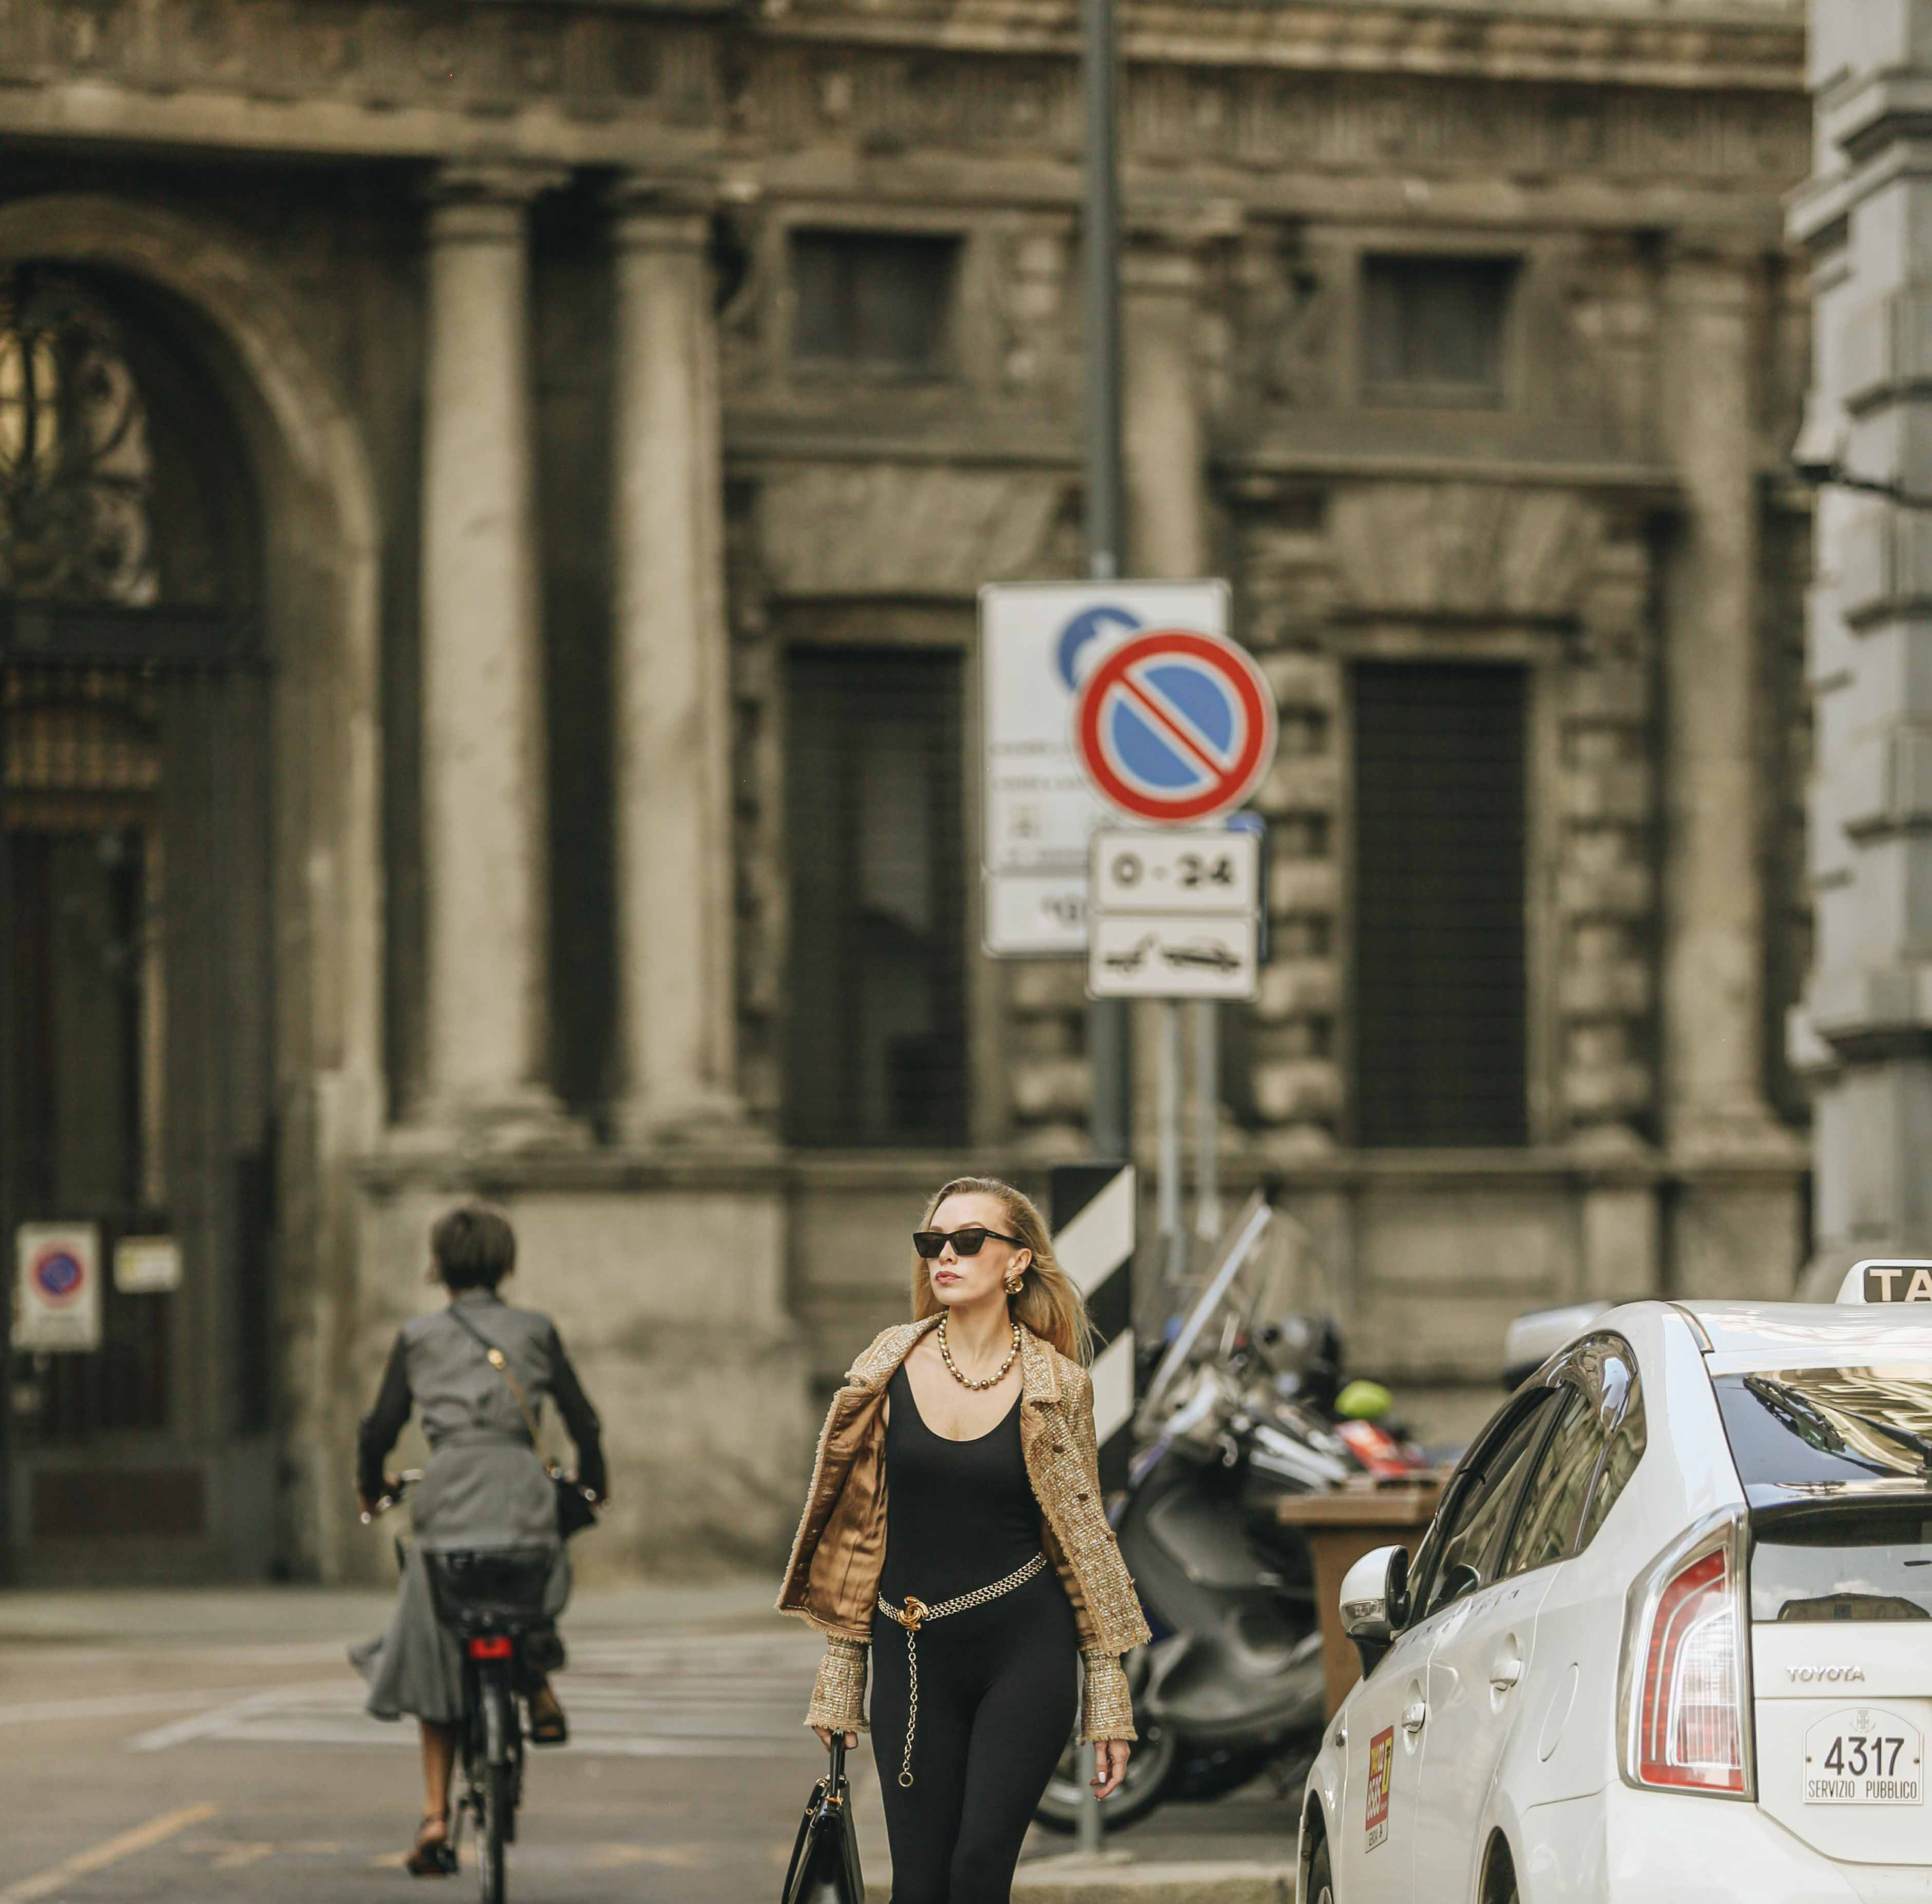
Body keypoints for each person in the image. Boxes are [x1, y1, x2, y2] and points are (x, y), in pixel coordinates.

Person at [778, 1176, 1149, 1904]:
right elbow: (860, 1531)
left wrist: (1107, 1692)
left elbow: (1083, 1540)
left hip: (1025, 1650)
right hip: (913, 1654)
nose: (944, 1255)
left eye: (968, 1240)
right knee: (918, 1885)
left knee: (979, 1871)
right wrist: (841, 1676)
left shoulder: (1059, 1383)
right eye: (932, 1243)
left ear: (1017, 1262)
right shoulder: (883, 1367)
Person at [350, 1204, 606, 1878]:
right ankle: (539, 1676)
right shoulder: (537, 1330)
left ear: (438, 1266)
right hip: (524, 1494)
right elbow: (585, 1420)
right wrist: (594, 1484)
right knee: (535, 1573)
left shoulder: (418, 1336)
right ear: (506, 1263)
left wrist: (371, 1485)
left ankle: (436, 1816)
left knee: (436, 1646)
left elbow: (377, 1428)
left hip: (447, 1501)